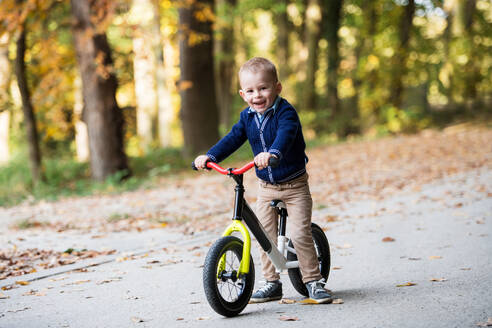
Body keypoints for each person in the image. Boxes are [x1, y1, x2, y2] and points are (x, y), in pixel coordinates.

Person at [194, 57, 332, 304]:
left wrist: (273, 154)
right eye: (250, 90)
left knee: (300, 234)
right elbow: (233, 138)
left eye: (263, 88)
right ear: (242, 93)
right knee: (263, 235)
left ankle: (313, 281)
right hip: (267, 187)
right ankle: (271, 283)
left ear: (277, 88)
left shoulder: (286, 112)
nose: (257, 95)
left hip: (294, 186)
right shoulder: (247, 117)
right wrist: (210, 156)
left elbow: (285, 135)